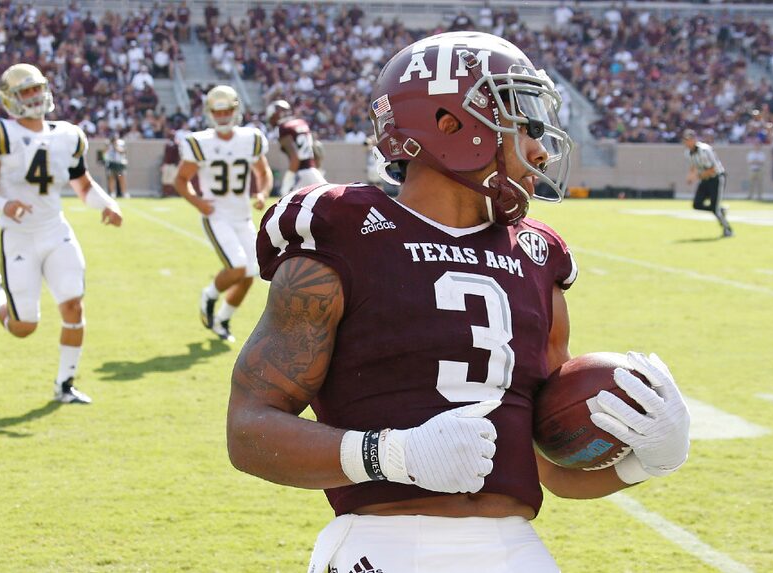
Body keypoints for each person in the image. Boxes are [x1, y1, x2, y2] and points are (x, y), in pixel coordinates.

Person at [227, 32, 690, 572]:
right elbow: (249, 430)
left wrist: (646, 461)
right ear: (449, 125)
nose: (540, 150)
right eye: (525, 124)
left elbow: (550, 465)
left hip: (515, 547)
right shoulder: (346, 232)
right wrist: (389, 454)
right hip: (384, 542)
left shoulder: (539, 256)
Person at [0, 63, 123, 404]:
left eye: (37, 88)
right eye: (26, 91)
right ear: (10, 98)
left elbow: (82, 185)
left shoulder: (67, 134)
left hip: (55, 230)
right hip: (18, 234)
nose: (35, 96)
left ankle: (64, 385)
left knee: (73, 306)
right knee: (23, 326)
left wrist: (106, 204)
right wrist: (3, 204)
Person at [174, 85, 273, 342]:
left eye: (227, 110)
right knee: (238, 266)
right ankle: (209, 295)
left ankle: (223, 320)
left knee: (252, 273)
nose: (223, 116)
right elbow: (181, 180)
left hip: (242, 216)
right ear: (209, 113)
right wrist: (198, 202)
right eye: (217, 112)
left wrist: (262, 193)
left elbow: (263, 173)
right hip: (216, 215)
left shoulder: (251, 138)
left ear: (236, 110)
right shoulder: (200, 142)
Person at [265, 99, 326, 196]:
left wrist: (288, 180)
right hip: (314, 171)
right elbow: (317, 152)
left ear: (276, 115)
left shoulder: (284, 128)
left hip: (301, 175)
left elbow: (295, 158)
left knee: (287, 203)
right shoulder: (302, 122)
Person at [682, 129, 733, 237]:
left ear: (694, 139)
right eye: (686, 140)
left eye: (690, 140)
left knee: (715, 208)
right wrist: (690, 177)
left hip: (716, 178)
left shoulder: (705, 150)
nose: (688, 142)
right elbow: (693, 166)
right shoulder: (688, 152)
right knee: (697, 204)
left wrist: (697, 176)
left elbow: (713, 169)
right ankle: (720, 209)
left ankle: (728, 229)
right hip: (705, 179)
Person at [103, 134, 129, 198]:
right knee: (111, 178)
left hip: (119, 164)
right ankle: (112, 193)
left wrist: (115, 146)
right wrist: (109, 146)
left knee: (121, 178)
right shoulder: (108, 144)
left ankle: (124, 193)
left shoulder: (121, 143)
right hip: (111, 164)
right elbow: (104, 152)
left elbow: (122, 151)